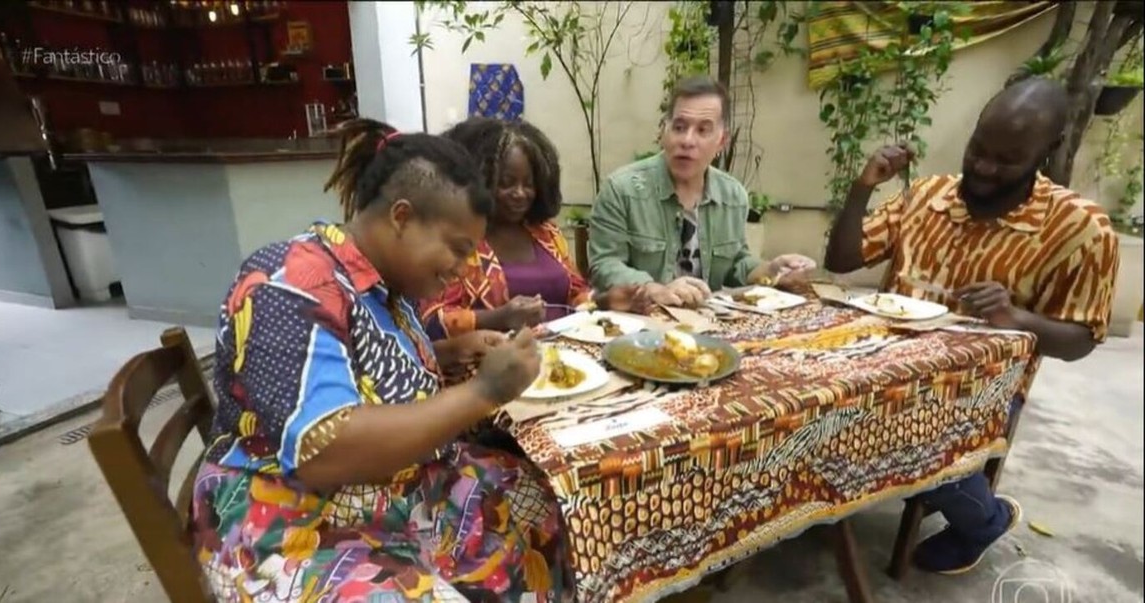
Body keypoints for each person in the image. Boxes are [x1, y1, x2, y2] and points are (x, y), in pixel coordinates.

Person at [190, 119, 574, 601]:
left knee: (549, 507)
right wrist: (482, 392)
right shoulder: (288, 284)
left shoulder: (384, 286)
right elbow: (323, 451)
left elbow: (354, 370)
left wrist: (443, 352)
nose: (461, 268)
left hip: (397, 497)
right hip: (292, 526)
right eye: (457, 250)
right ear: (401, 217)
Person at [824, 77, 1120, 574]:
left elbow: (1082, 340)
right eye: (978, 150)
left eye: (1006, 161)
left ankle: (986, 519)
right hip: (878, 362)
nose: (983, 168)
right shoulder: (928, 196)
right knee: (799, 408)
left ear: (1047, 152)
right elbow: (841, 258)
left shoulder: (1080, 228)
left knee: (904, 435)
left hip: (983, 389)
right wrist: (863, 185)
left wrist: (1015, 317)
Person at [587, 75, 816, 307]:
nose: (687, 140)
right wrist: (654, 290)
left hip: (708, 321)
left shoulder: (733, 196)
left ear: (721, 141)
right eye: (679, 127)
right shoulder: (621, 190)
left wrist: (772, 269)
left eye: (702, 130)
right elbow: (605, 265)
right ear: (664, 132)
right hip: (641, 322)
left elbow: (736, 264)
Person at [421, 117, 648, 340]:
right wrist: (498, 317)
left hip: (569, 359)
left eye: (528, 184)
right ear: (479, 182)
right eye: (506, 182)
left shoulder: (546, 233)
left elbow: (573, 296)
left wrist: (604, 300)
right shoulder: (460, 243)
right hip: (494, 365)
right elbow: (430, 322)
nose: (520, 193)